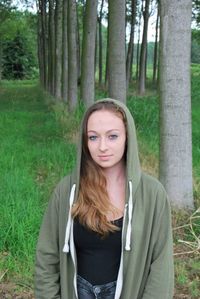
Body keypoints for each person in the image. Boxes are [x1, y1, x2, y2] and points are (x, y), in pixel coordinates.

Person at [35, 98, 174, 299]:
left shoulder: (152, 194)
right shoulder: (68, 190)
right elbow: (47, 257)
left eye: (112, 136)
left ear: (128, 138)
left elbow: (161, 266)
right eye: (93, 137)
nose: (102, 147)